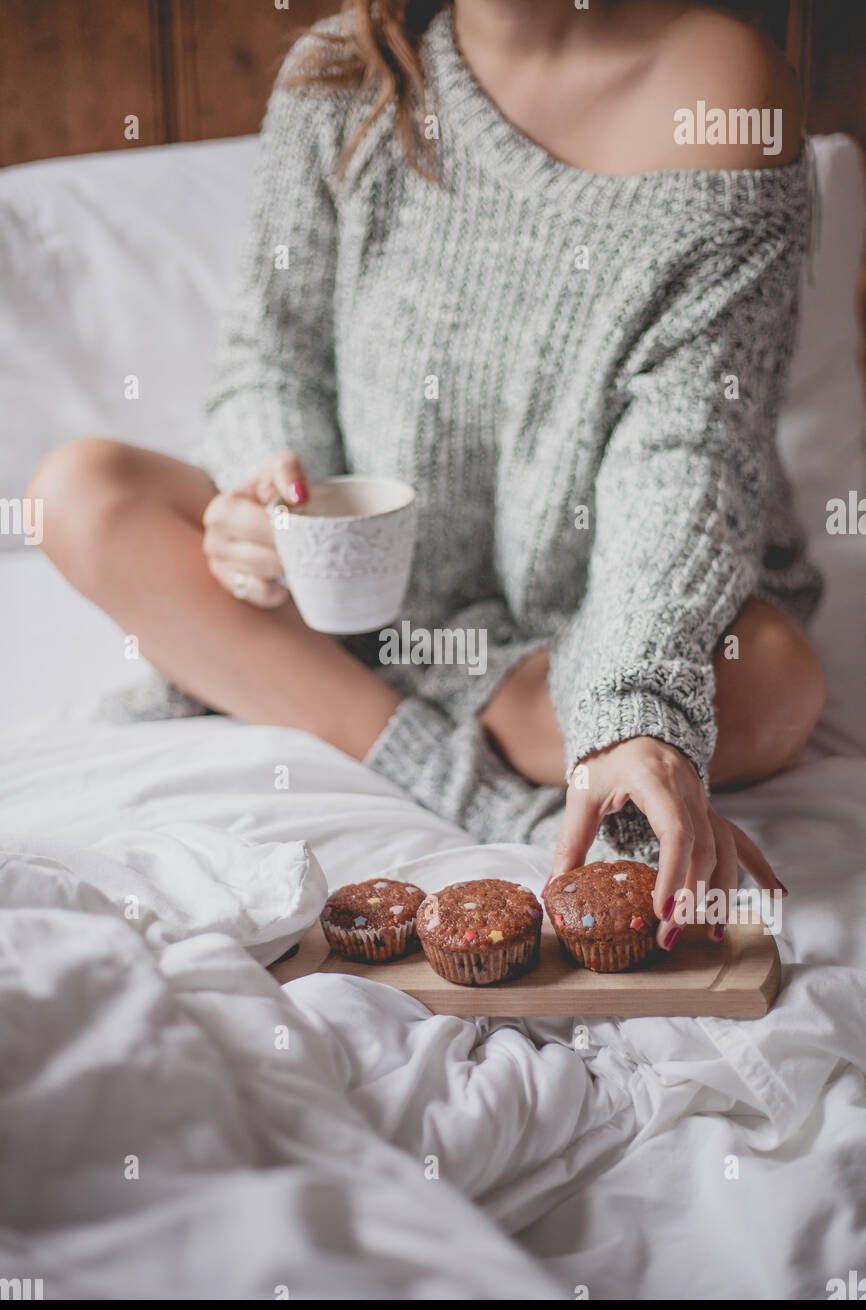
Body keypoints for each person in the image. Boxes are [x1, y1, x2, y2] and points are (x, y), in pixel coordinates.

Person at [28, 0, 825, 951]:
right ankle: (463, 772)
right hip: (354, 603)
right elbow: (270, 357)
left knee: (773, 684)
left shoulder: (725, 89)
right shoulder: (343, 76)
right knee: (78, 491)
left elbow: (688, 458)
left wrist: (630, 713)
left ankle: (322, 691)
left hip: (580, 636)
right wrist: (268, 498)